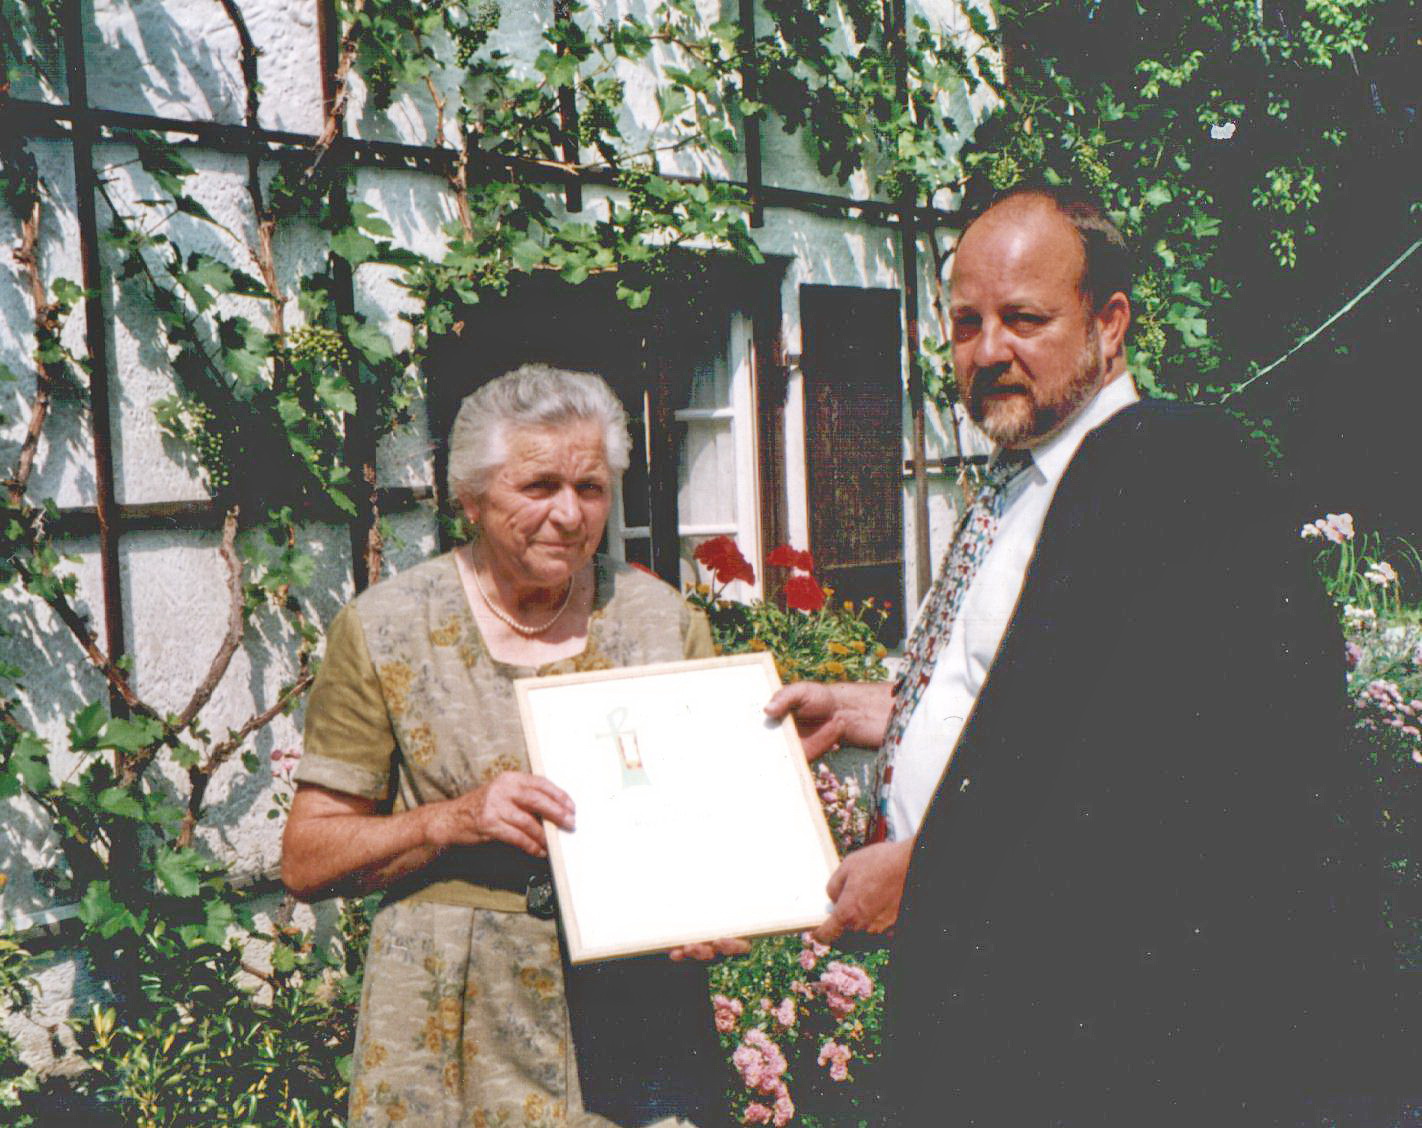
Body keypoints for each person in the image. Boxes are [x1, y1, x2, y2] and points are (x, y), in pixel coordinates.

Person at [768, 184, 1373, 1123]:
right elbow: (1048, 707)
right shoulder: (1025, 480)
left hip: (1096, 1028)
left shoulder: (1179, 477)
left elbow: (1174, 781)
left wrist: (931, 872)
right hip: (978, 993)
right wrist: (878, 708)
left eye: (1025, 319)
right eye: (966, 324)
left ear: (1110, 323)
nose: (988, 352)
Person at [282, 364, 727, 1128]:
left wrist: (715, 903)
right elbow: (307, 858)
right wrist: (449, 820)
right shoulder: (389, 627)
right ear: (472, 498)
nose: (569, 514)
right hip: (448, 1010)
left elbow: (716, 823)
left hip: (635, 1010)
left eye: (590, 488)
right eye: (539, 486)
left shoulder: (664, 623)